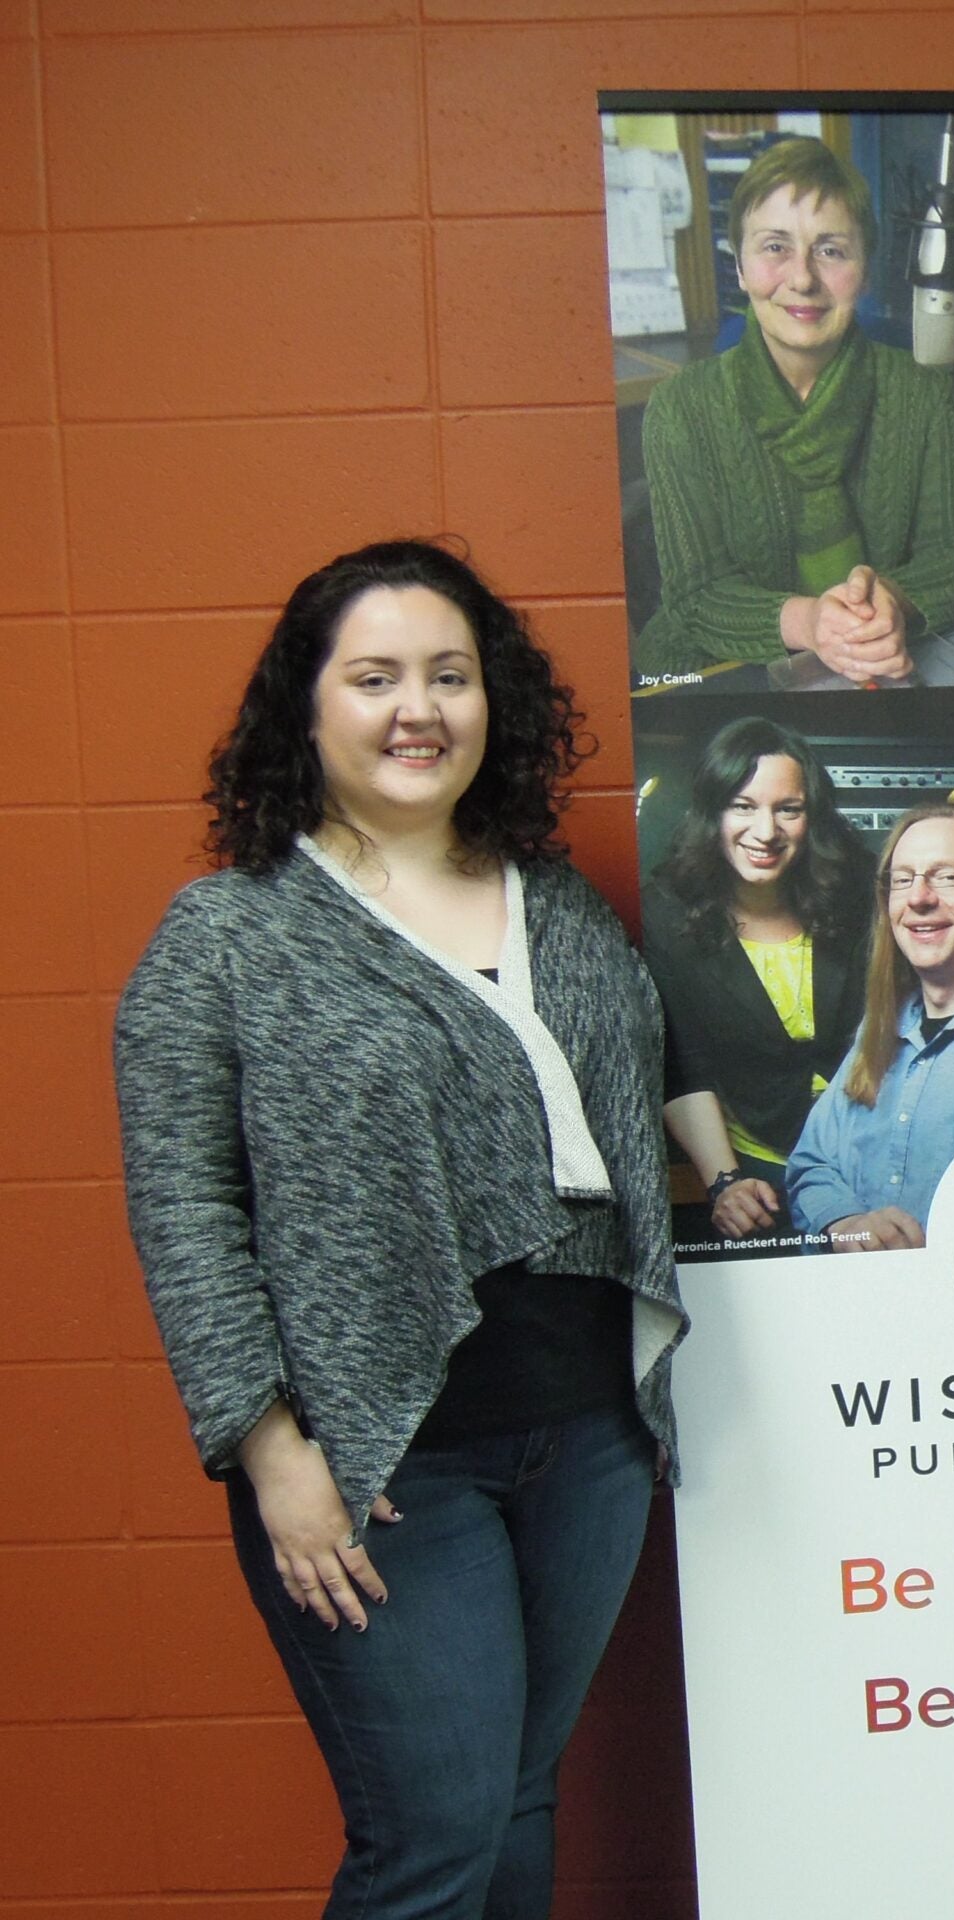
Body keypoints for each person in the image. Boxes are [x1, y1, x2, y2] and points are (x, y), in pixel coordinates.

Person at [112, 540, 686, 1919]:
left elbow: (625, 1131)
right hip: (383, 1460)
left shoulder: (561, 908)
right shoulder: (227, 936)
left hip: (590, 1438)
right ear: (306, 709)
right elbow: (185, 1210)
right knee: (432, 1841)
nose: (417, 709)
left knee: (520, 1804)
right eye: (373, 678)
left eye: (449, 675)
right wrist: (271, 1454)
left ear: (495, 703)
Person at [635, 134, 954, 680]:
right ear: (740, 267)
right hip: (712, 669)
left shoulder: (923, 395)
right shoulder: (679, 409)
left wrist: (890, 599)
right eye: (774, 247)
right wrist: (811, 623)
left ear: (864, 271)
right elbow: (696, 593)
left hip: (878, 655)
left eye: (830, 250)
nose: (802, 278)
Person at [643, 715, 872, 1247]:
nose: (765, 832)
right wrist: (726, 1182)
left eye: (788, 809)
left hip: (867, 1155)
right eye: (742, 806)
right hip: (755, 1169)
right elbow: (683, 1063)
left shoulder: (857, 894)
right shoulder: (664, 914)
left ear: (812, 817)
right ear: (712, 812)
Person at [787, 804, 954, 1250]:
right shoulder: (880, 1026)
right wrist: (845, 1221)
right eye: (901, 879)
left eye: (948, 876)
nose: (919, 898)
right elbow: (811, 1163)